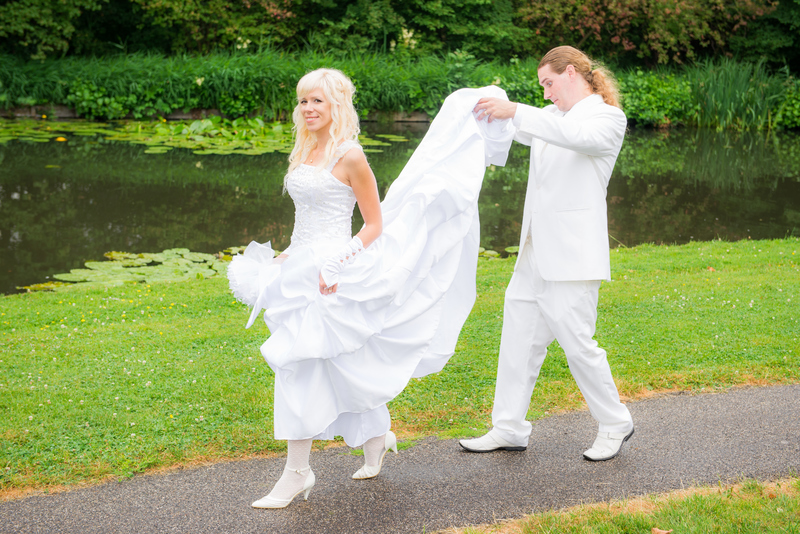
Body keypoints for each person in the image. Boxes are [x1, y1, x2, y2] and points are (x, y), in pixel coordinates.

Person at [228, 69, 515, 508]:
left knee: (299, 366)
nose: (308, 109)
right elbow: (307, 220)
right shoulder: (304, 150)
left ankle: (297, 473)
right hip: (300, 269)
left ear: (337, 105)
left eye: (318, 101)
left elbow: (374, 225)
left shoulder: (350, 156)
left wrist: (337, 261)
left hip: (334, 273)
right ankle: (378, 438)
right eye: (303, 101)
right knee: (338, 365)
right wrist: (286, 255)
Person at [459, 46, 635, 461]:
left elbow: (573, 137)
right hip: (534, 253)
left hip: (573, 255)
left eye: (549, 83)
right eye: (541, 86)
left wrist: (515, 109)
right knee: (517, 339)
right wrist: (477, 107)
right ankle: (509, 427)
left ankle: (615, 421)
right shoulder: (551, 118)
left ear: (571, 72)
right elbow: (513, 127)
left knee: (577, 342)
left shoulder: (607, 118)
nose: (546, 93)